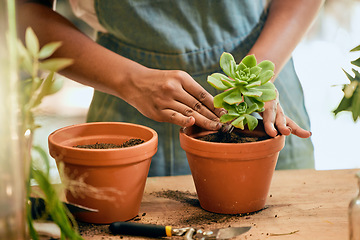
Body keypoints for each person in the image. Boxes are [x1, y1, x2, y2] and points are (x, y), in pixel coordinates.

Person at [17, 0, 323, 176]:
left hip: (263, 97)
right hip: (126, 101)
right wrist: (129, 81)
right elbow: (22, 13)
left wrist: (256, 78)